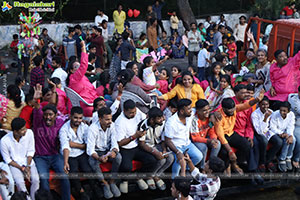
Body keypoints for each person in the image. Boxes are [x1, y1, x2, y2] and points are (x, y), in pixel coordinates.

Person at [31, 85, 71, 200]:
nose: (48, 117)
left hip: (55, 156)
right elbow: (37, 107)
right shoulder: (39, 120)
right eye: (46, 115)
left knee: (64, 176)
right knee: (44, 179)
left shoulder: (60, 123)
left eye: (50, 115)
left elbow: (70, 120)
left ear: (55, 116)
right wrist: (36, 99)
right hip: (40, 157)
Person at [215, 90, 264, 175]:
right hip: (222, 136)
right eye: (230, 111)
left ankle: (244, 166)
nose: (232, 112)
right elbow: (221, 137)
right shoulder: (218, 117)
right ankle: (228, 168)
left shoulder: (234, 108)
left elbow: (245, 105)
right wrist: (230, 151)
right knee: (224, 152)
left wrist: (257, 100)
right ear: (224, 109)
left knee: (247, 144)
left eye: (233, 109)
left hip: (231, 133)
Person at [115, 99, 157, 193]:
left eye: (134, 112)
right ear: (124, 111)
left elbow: (145, 118)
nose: (133, 114)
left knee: (152, 160)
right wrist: (134, 136)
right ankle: (124, 180)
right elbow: (120, 143)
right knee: (127, 167)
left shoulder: (136, 111)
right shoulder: (120, 122)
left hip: (137, 146)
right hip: (125, 148)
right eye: (130, 113)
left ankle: (138, 176)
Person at [1, 118, 39, 200]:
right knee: (19, 182)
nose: (25, 130)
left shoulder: (29, 133)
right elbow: (8, 160)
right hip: (15, 165)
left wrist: (28, 167)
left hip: (28, 162)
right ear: (15, 132)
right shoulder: (4, 141)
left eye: (25, 128)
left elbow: (31, 151)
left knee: (36, 180)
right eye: (22, 130)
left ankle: (34, 198)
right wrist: (21, 168)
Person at [87, 107, 121, 198]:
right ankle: (104, 183)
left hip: (107, 150)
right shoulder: (92, 129)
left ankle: (112, 182)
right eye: (107, 119)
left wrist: (113, 151)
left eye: (110, 119)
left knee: (118, 157)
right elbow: (90, 149)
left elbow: (114, 142)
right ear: (100, 119)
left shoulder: (112, 125)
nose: (110, 121)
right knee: (93, 162)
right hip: (97, 152)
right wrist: (99, 158)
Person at [164, 99, 203, 178]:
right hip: (176, 146)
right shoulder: (171, 122)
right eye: (189, 109)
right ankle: (174, 180)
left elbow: (200, 108)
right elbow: (168, 141)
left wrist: (214, 114)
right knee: (180, 161)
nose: (191, 110)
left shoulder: (189, 114)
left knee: (199, 156)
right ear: (181, 111)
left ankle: (186, 170)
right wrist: (178, 152)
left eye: (190, 108)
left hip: (187, 143)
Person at [138, 107, 174, 190]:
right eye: (159, 118)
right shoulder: (143, 126)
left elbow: (163, 139)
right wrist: (154, 152)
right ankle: (150, 176)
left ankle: (157, 175)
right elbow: (142, 144)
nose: (162, 119)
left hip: (158, 144)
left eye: (161, 117)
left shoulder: (162, 123)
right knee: (161, 160)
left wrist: (164, 149)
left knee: (170, 158)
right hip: (148, 146)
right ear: (151, 120)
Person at [66, 41, 99, 117]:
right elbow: (83, 66)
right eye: (76, 67)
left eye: (79, 65)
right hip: (85, 105)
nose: (79, 68)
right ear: (71, 71)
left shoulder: (81, 77)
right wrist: (83, 47)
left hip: (91, 100)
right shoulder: (74, 78)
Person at [190, 99, 221, 169]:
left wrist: (213, 139)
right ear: (198, 111)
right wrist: (209, 141)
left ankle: (211, 164)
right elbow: (195, 138)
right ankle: (202, 167)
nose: (207, 112)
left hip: (205, 139)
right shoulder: (194, 120)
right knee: (203, 147)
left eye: (208, 109)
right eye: (204, 110)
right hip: (196, 141)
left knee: (217, 144)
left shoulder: (210, 118)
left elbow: (211, 131)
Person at [268, 101, 296, 172]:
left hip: (286, 132)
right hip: (276, 132)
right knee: (285, 141)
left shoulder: (291, 115)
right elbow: (272, 127)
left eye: (284, 111)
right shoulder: (275, 114)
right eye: (281, 110)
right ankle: (282, 159)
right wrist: (281, 133)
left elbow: (291, 126)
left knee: (294, 140)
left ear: (288, 111)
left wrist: (290, 135)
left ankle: (288, 157)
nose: (282, 112)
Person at [251, 96, 273, 172]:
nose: (265, 107)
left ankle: (269, 160)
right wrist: (265, 118)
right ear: (259, 105)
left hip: (268, 132)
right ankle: (262, 162)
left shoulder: (271, 111)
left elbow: (272, 126)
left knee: (279, 142)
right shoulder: (255, 114)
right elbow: (259, 131)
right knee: (264, 141)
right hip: (259, 133)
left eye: (267, 104)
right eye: (263, 104)